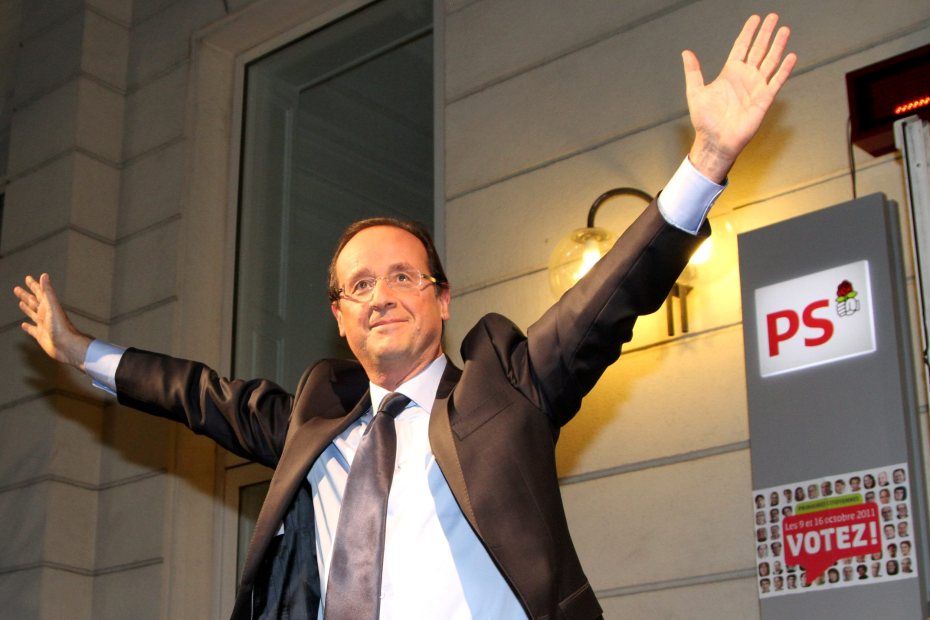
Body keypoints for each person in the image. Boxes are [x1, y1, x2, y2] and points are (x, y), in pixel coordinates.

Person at [12, 14, 796, 620]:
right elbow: (195, 393)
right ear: (340, 318)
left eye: (402, 276)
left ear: (442, 298)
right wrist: (81, 352)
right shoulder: (313, 421)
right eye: (360, 285)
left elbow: (606, 301)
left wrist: (708, 160)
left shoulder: (505, 389)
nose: (381, 294)